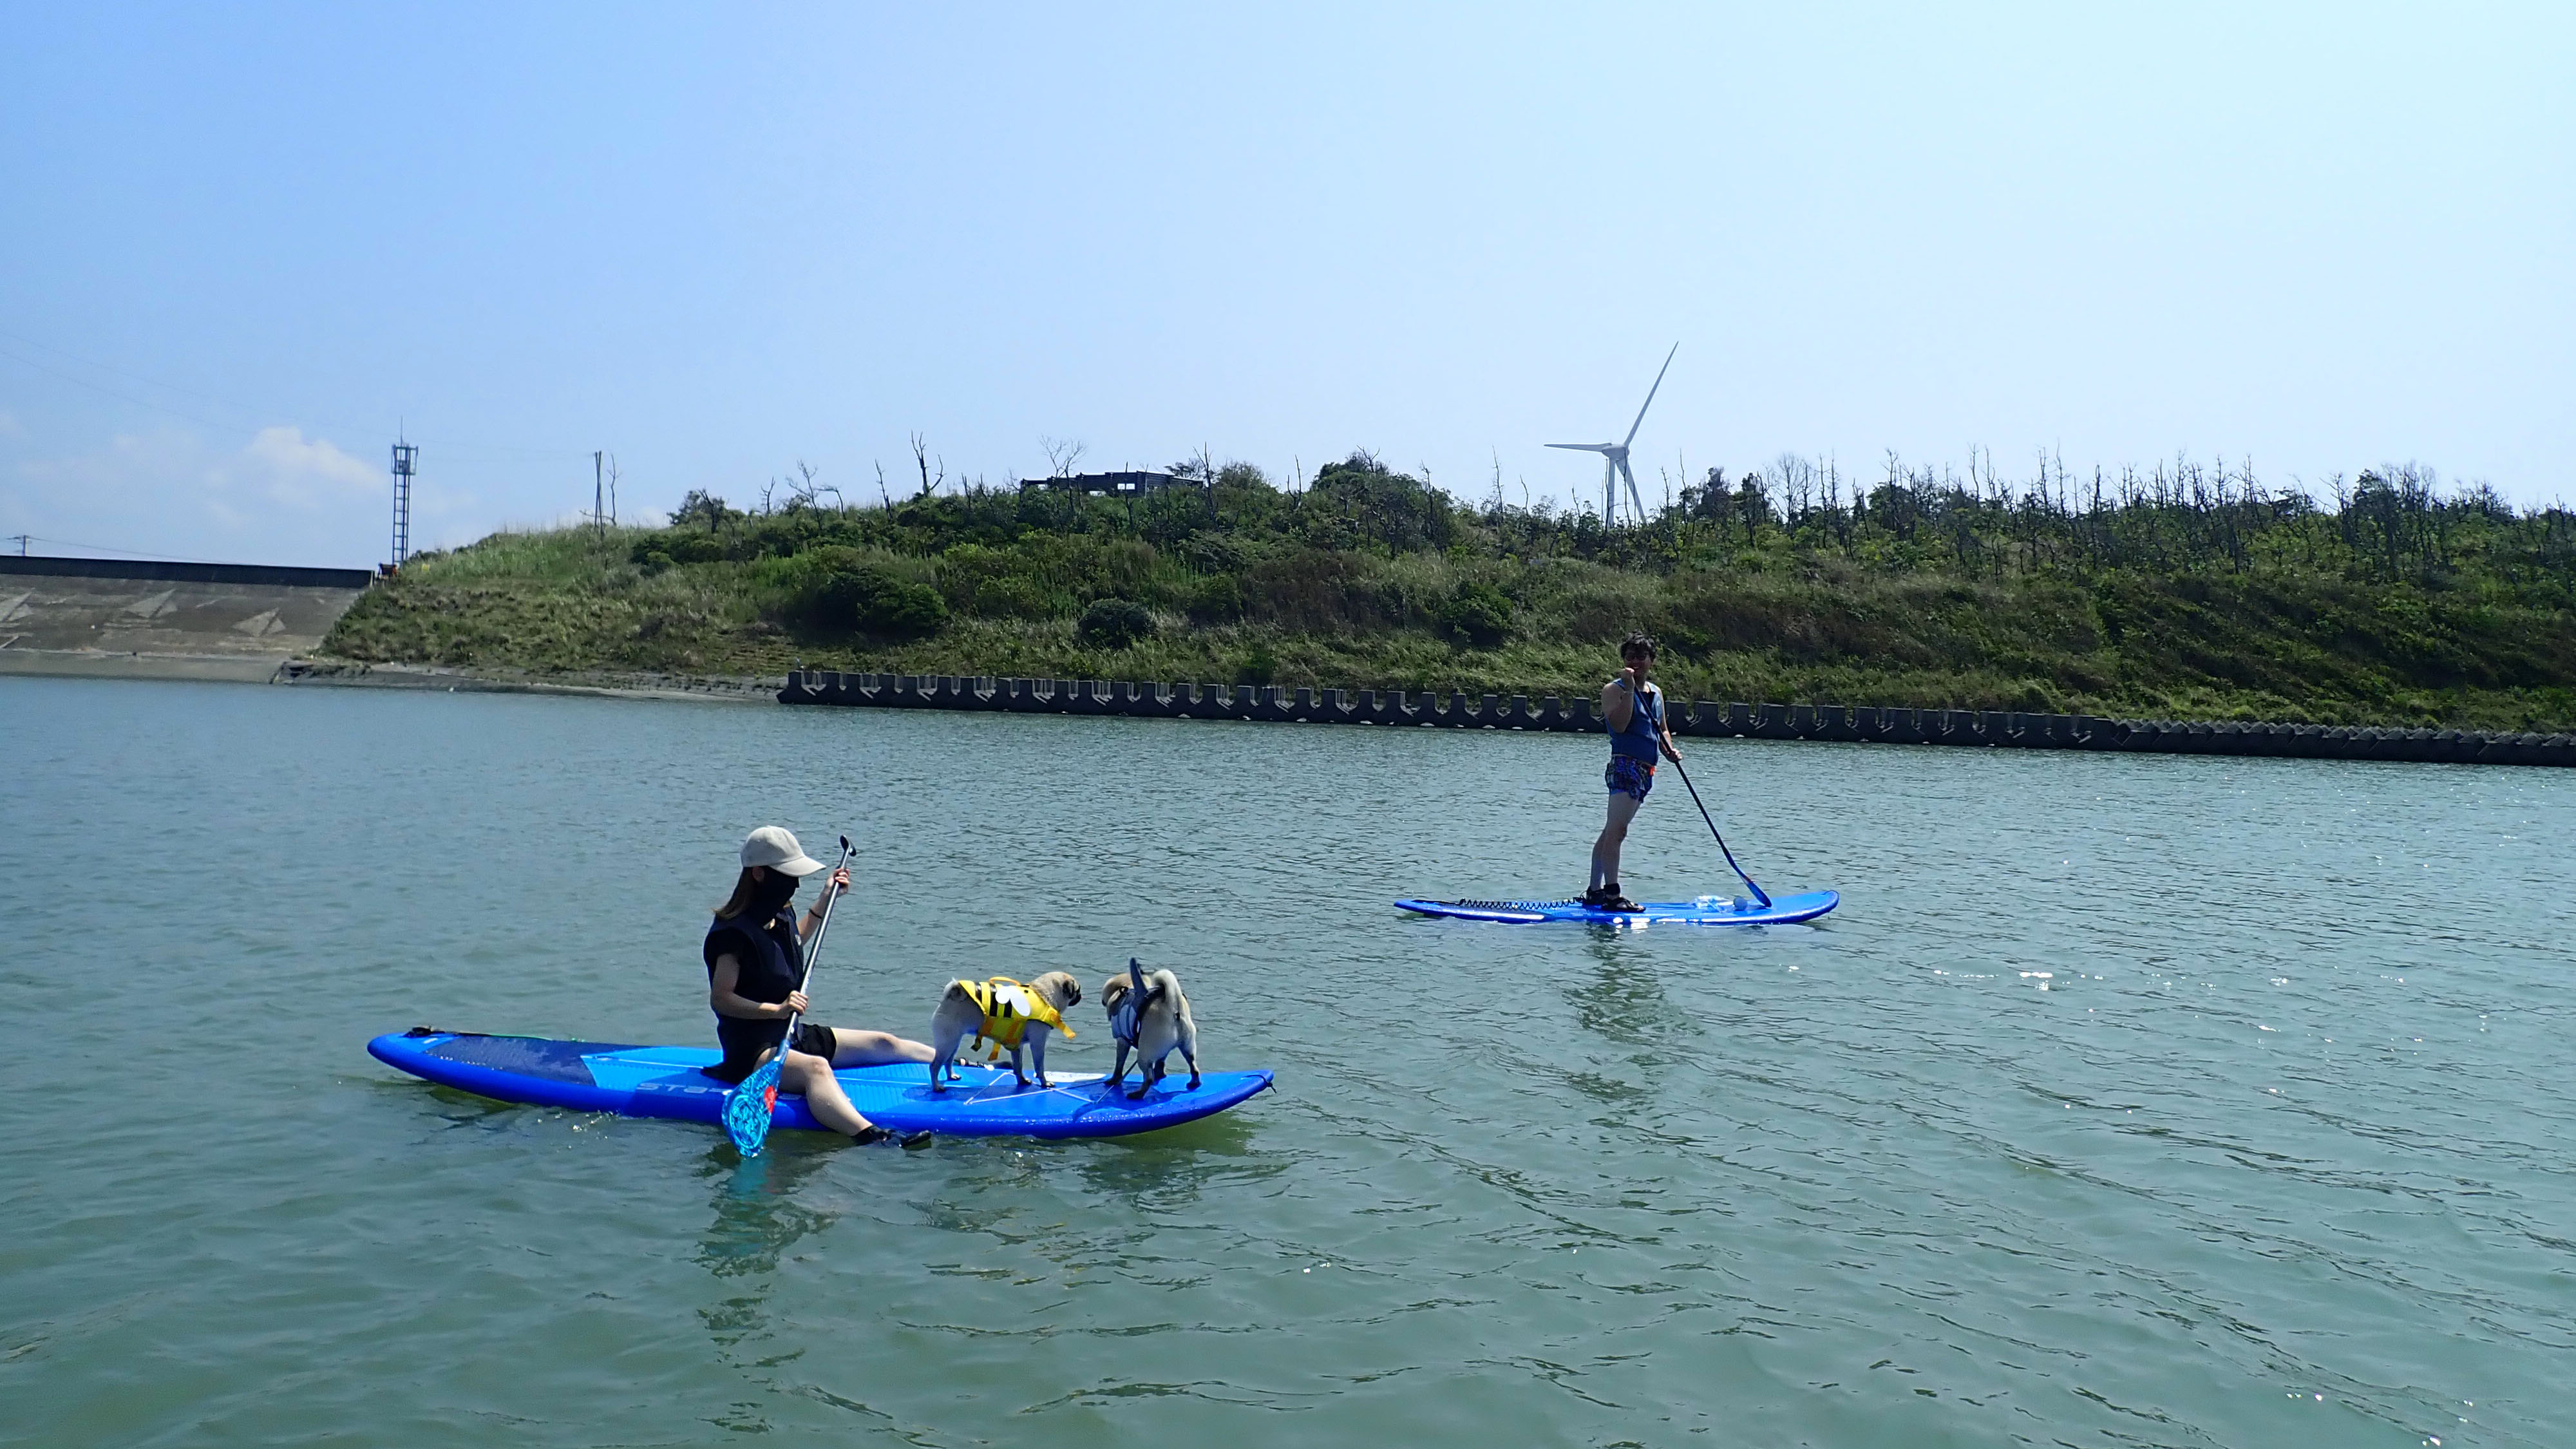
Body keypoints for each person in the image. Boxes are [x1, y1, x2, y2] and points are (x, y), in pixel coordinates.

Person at [703, 826, 935, 1148]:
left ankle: (958, 1063)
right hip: (752, 1051)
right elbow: (722, 999)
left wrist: (826, 899)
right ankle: (877, 1137)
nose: (794, 884)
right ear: (758, 874)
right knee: (817, 1069)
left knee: (885, 1042)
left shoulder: (780, 914)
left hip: (790, 1033)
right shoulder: (733, 933)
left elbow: (792, 943)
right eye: (786, 875)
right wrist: (778, 1009)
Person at [1586, 633, 1681, 911]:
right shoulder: (1613, 690)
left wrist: (1669, 750)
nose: (1635, 662)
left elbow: (1661, 728)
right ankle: (1612, 896)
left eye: (1641, 657)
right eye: (1630, 657)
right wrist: (1629, 689)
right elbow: (1621, 725)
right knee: (1618, 831)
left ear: (1651, 661)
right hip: (1624, 766)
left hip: (1647, 769)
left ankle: (1594, 892)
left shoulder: (1656, 692)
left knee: (1611, 832)